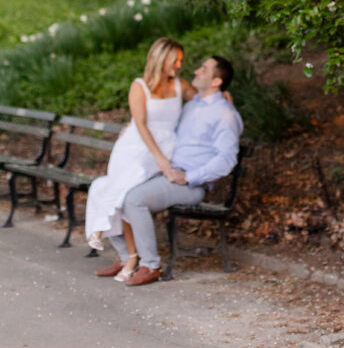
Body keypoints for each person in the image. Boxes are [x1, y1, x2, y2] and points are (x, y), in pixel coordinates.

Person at [94, 54, 243, 286]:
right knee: (111, 188)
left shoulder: (225, 115)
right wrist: (131, 128)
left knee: (134, 200)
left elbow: (227, 159)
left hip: (191, 184)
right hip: (168, 173)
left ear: (216, 82)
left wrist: (191, 177)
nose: (196, 71)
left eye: (204, 69)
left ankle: (151, 266)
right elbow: (159, 123)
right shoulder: (193, 105)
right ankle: (126, 258)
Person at [85, 37, 193, 278]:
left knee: (124, 196)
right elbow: (141, 125)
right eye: (174, 60)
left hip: (166, 146)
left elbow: (206, 102)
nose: (178, 65)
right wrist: (160, 159)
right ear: (159, 59)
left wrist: (223, 94)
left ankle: (133, 259)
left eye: (180, 61)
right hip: (137, 148)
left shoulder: (181, 85)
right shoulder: (139, 86)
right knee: (109, 190)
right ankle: (128, 257)